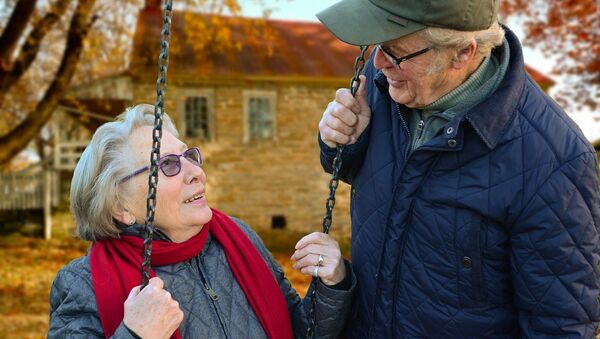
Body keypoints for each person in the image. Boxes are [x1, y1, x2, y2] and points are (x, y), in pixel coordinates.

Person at [316, 0, 600, 337]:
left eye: (396, 52)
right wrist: (341, 142)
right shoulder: (383, 82)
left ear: (462, 53)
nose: (378, 63)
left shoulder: (553, 160)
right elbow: (362, 175)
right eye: (379, 45)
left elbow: (560, 325)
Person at [48, 104, 355, 338]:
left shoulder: (238, 238)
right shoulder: (83, 283)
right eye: (167, 165)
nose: (195, 172)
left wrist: (331, 284)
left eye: (189, 156)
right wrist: (135, 334)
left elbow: (299, 331)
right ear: (120, 206)